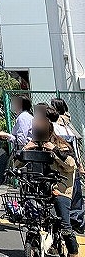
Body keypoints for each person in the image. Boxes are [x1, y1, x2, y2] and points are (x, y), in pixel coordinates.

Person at [16, 107, 81, 257]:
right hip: (38, 189)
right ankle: (33, 256)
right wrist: (25, 149)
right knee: (32, 220)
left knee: (65, 226)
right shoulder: (33, 146)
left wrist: (54, 150)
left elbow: (71, 165)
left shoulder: (60, 144)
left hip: (60, 190)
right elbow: (15, 165)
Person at [51, 98, 84, 235]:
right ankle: (77, 221)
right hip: (73, 162)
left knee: (63, 191)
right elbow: (76, 147)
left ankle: (66, 221)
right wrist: (79, 163)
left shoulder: (54, 125)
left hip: (59, 163)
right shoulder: (68, 124)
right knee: (75, 192)